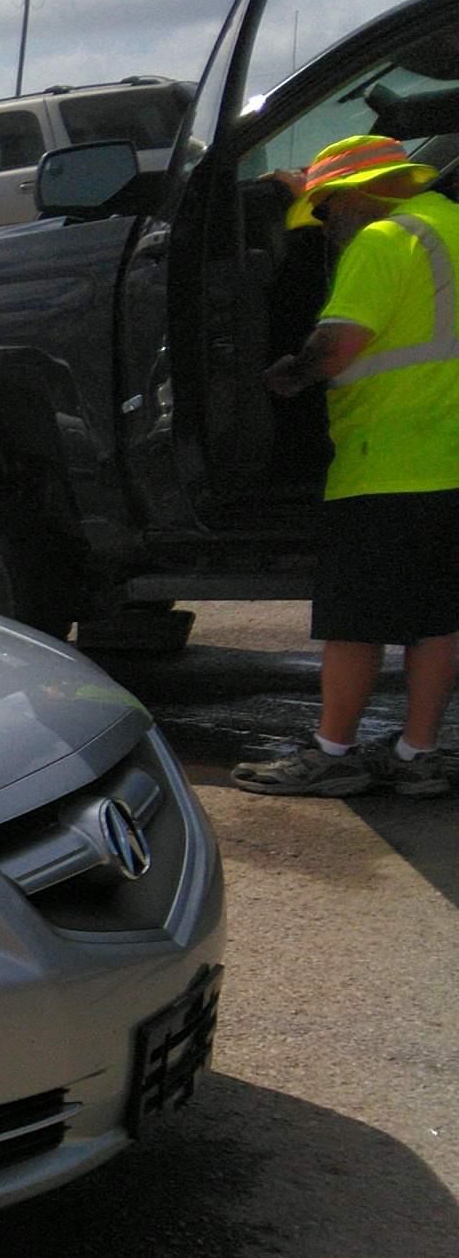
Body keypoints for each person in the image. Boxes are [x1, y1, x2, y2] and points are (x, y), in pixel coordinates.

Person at [233, 135, 459, 798]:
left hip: (383, 460)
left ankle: (333, 752)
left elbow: (338, 345)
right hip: (449, 460)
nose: (329, 226)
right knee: (438, 616)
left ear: (360, 193)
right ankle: (419, 754)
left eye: (329, 210)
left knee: (353, 619)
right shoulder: (450, 228)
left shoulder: (385, 241)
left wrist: (288, 376)